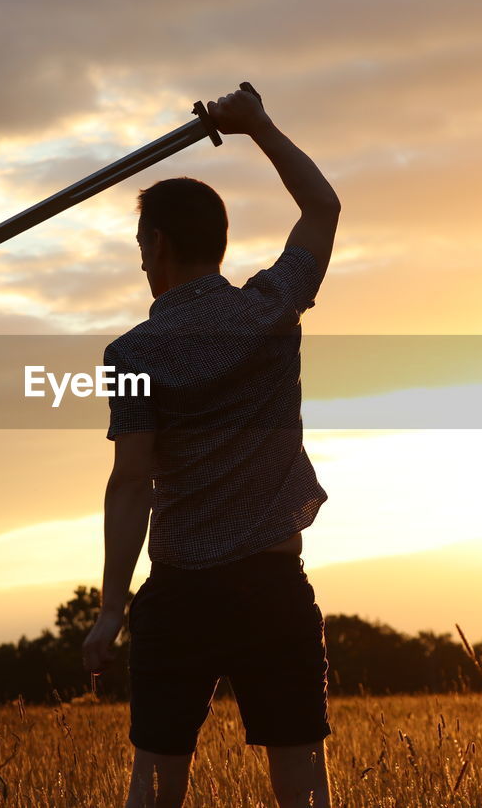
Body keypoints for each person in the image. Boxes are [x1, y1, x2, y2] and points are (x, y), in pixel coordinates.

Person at [81, 87, 341, 808]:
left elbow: (130, 482)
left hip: (181, 594)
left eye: (140, 243)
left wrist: (110, 610)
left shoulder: (133, 351)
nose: (139, 258)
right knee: (302, 783)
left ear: (156, 243)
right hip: (271, 584)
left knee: (156, 785)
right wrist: (257, 124)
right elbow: (322, 208)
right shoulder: (271, 308)